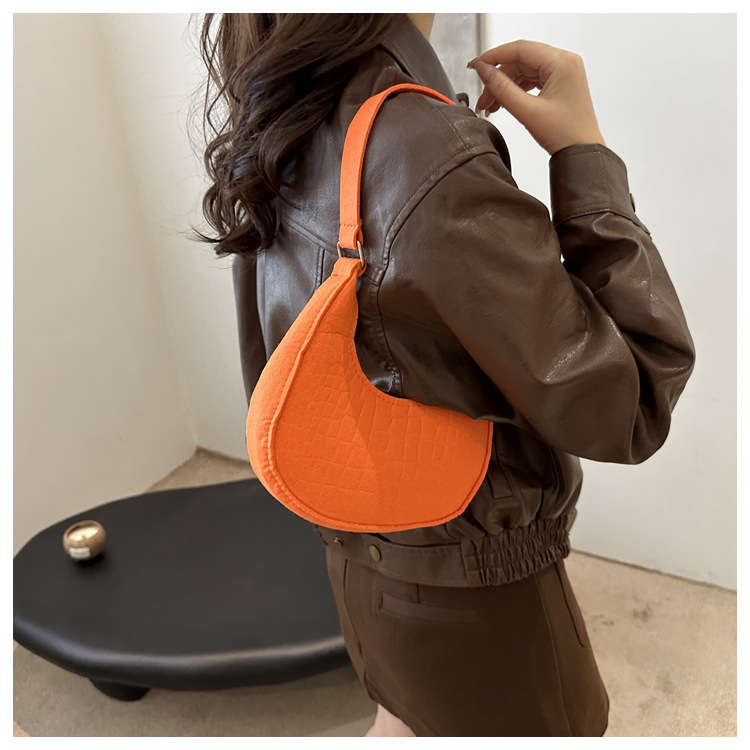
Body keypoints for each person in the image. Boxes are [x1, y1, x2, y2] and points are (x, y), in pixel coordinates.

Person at [193, 13, 696, 737]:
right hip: (478, 604)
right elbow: (632, 403)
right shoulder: (426, 149)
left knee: (401, 721)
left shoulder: (279, 100)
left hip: (359, 554)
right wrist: (583, 153)